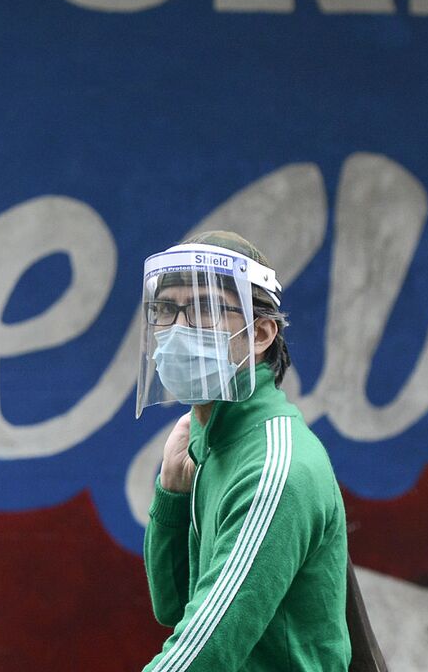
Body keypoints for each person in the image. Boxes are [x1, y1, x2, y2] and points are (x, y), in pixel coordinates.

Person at [137, 231, 350, 672]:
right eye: (165, 310)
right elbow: (175, 605)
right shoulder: (212, 444)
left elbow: (204, 653)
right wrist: (173, 498)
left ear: (261, 334)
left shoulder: (273, 467)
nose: (176, 330)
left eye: (201, 310)